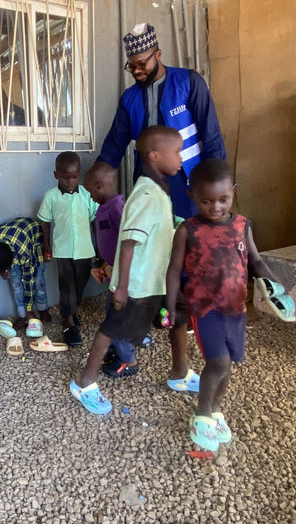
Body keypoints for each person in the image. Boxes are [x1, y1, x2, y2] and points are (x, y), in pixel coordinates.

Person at [166, 158, 292, 452]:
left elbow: (256, 261)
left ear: (233, 191)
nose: (216, 207)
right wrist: (171, 305)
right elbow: (173, 270)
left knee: (228, 366)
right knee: (217, 363)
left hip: (235, 308)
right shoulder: (188, 230)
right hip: (204, 309)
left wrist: (279, 289)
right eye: (207, 201)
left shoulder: (242, 225)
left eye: (223, 199)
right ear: (192, 197)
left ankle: (216, 411)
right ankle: (202, 416)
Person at [70, 126, 195, 415]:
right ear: (154, 155)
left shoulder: (159, 190)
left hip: (161, 278)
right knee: (112, 328)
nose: (180, 158)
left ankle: (180, 372)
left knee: (178, 318)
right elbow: (127, 242)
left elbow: (161, 228)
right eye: (176, 152)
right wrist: (122, 286)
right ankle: (84, 382)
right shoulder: (144, 194)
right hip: (139, 283)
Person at [98, 23, 226, 219]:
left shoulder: (189, 82)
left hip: (188, 179)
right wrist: (99, 174)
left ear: (158, 54)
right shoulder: (129, 98)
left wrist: (217, 179)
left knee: (186, 235)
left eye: (141, 64)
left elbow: (211, 133)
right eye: (131, 66)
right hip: (147, 181)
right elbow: (114, 144)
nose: (137, 71)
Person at [83, 161, 138, 378]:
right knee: (112, 313)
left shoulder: (117, 208)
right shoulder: (104, 208)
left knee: (116, 317)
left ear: (99, 186)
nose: (90, 196)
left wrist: (122, 272)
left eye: (90, 192)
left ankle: (129, 360)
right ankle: (118, 351)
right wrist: (105, 266)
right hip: (113, 271)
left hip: (123, 276)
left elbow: (129, 240)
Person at [38, 151, 97, 347]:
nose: (71, 181)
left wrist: (101, 244)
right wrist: (46, 242)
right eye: (66, 177)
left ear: (79, 174)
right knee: (66, 286)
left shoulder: (87, 195)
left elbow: (94, 220)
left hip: (85, 250)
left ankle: (72, 311)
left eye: (75, 177)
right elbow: (45, 220)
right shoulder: (51, 196)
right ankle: (69, 323)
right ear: (56, 175)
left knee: (80, 284)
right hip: (62, 250)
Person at [0, 218, 51, 330]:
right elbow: (1, 264)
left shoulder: (23, 252)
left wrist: (29, 310)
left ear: (12, 259)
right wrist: (3, 272)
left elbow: (28, 281)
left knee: (38, 280)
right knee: (15, 283)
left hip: (33, 236)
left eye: (7, 268)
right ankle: (22, 315)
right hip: (14, 238)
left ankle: (43, 309)